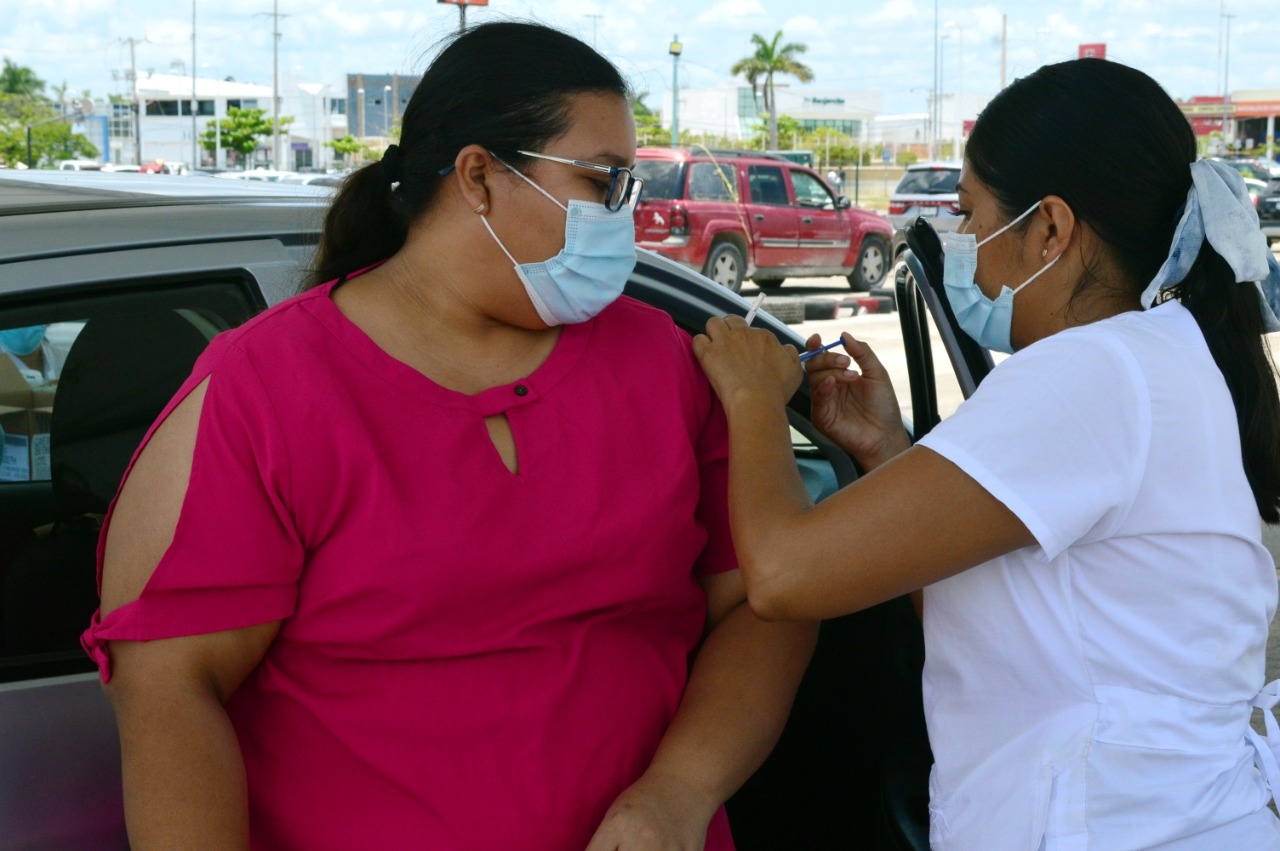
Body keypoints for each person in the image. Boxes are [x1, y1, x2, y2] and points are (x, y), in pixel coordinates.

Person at [81, 21, 815, 850]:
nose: (623, 215)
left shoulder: (666, 363)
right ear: (477, 175)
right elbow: (170, 689)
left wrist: (681, 790)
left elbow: (769, 601)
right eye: (603, 181)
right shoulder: (267, 389)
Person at [693, 58, 1280, 849]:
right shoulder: (1149, 360)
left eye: (970, 215)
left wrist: (752, 397)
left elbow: (782, 574)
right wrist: (887, 450)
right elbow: (997, 625)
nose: (963, 244)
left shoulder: (1092, 371)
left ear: (1050, 227)